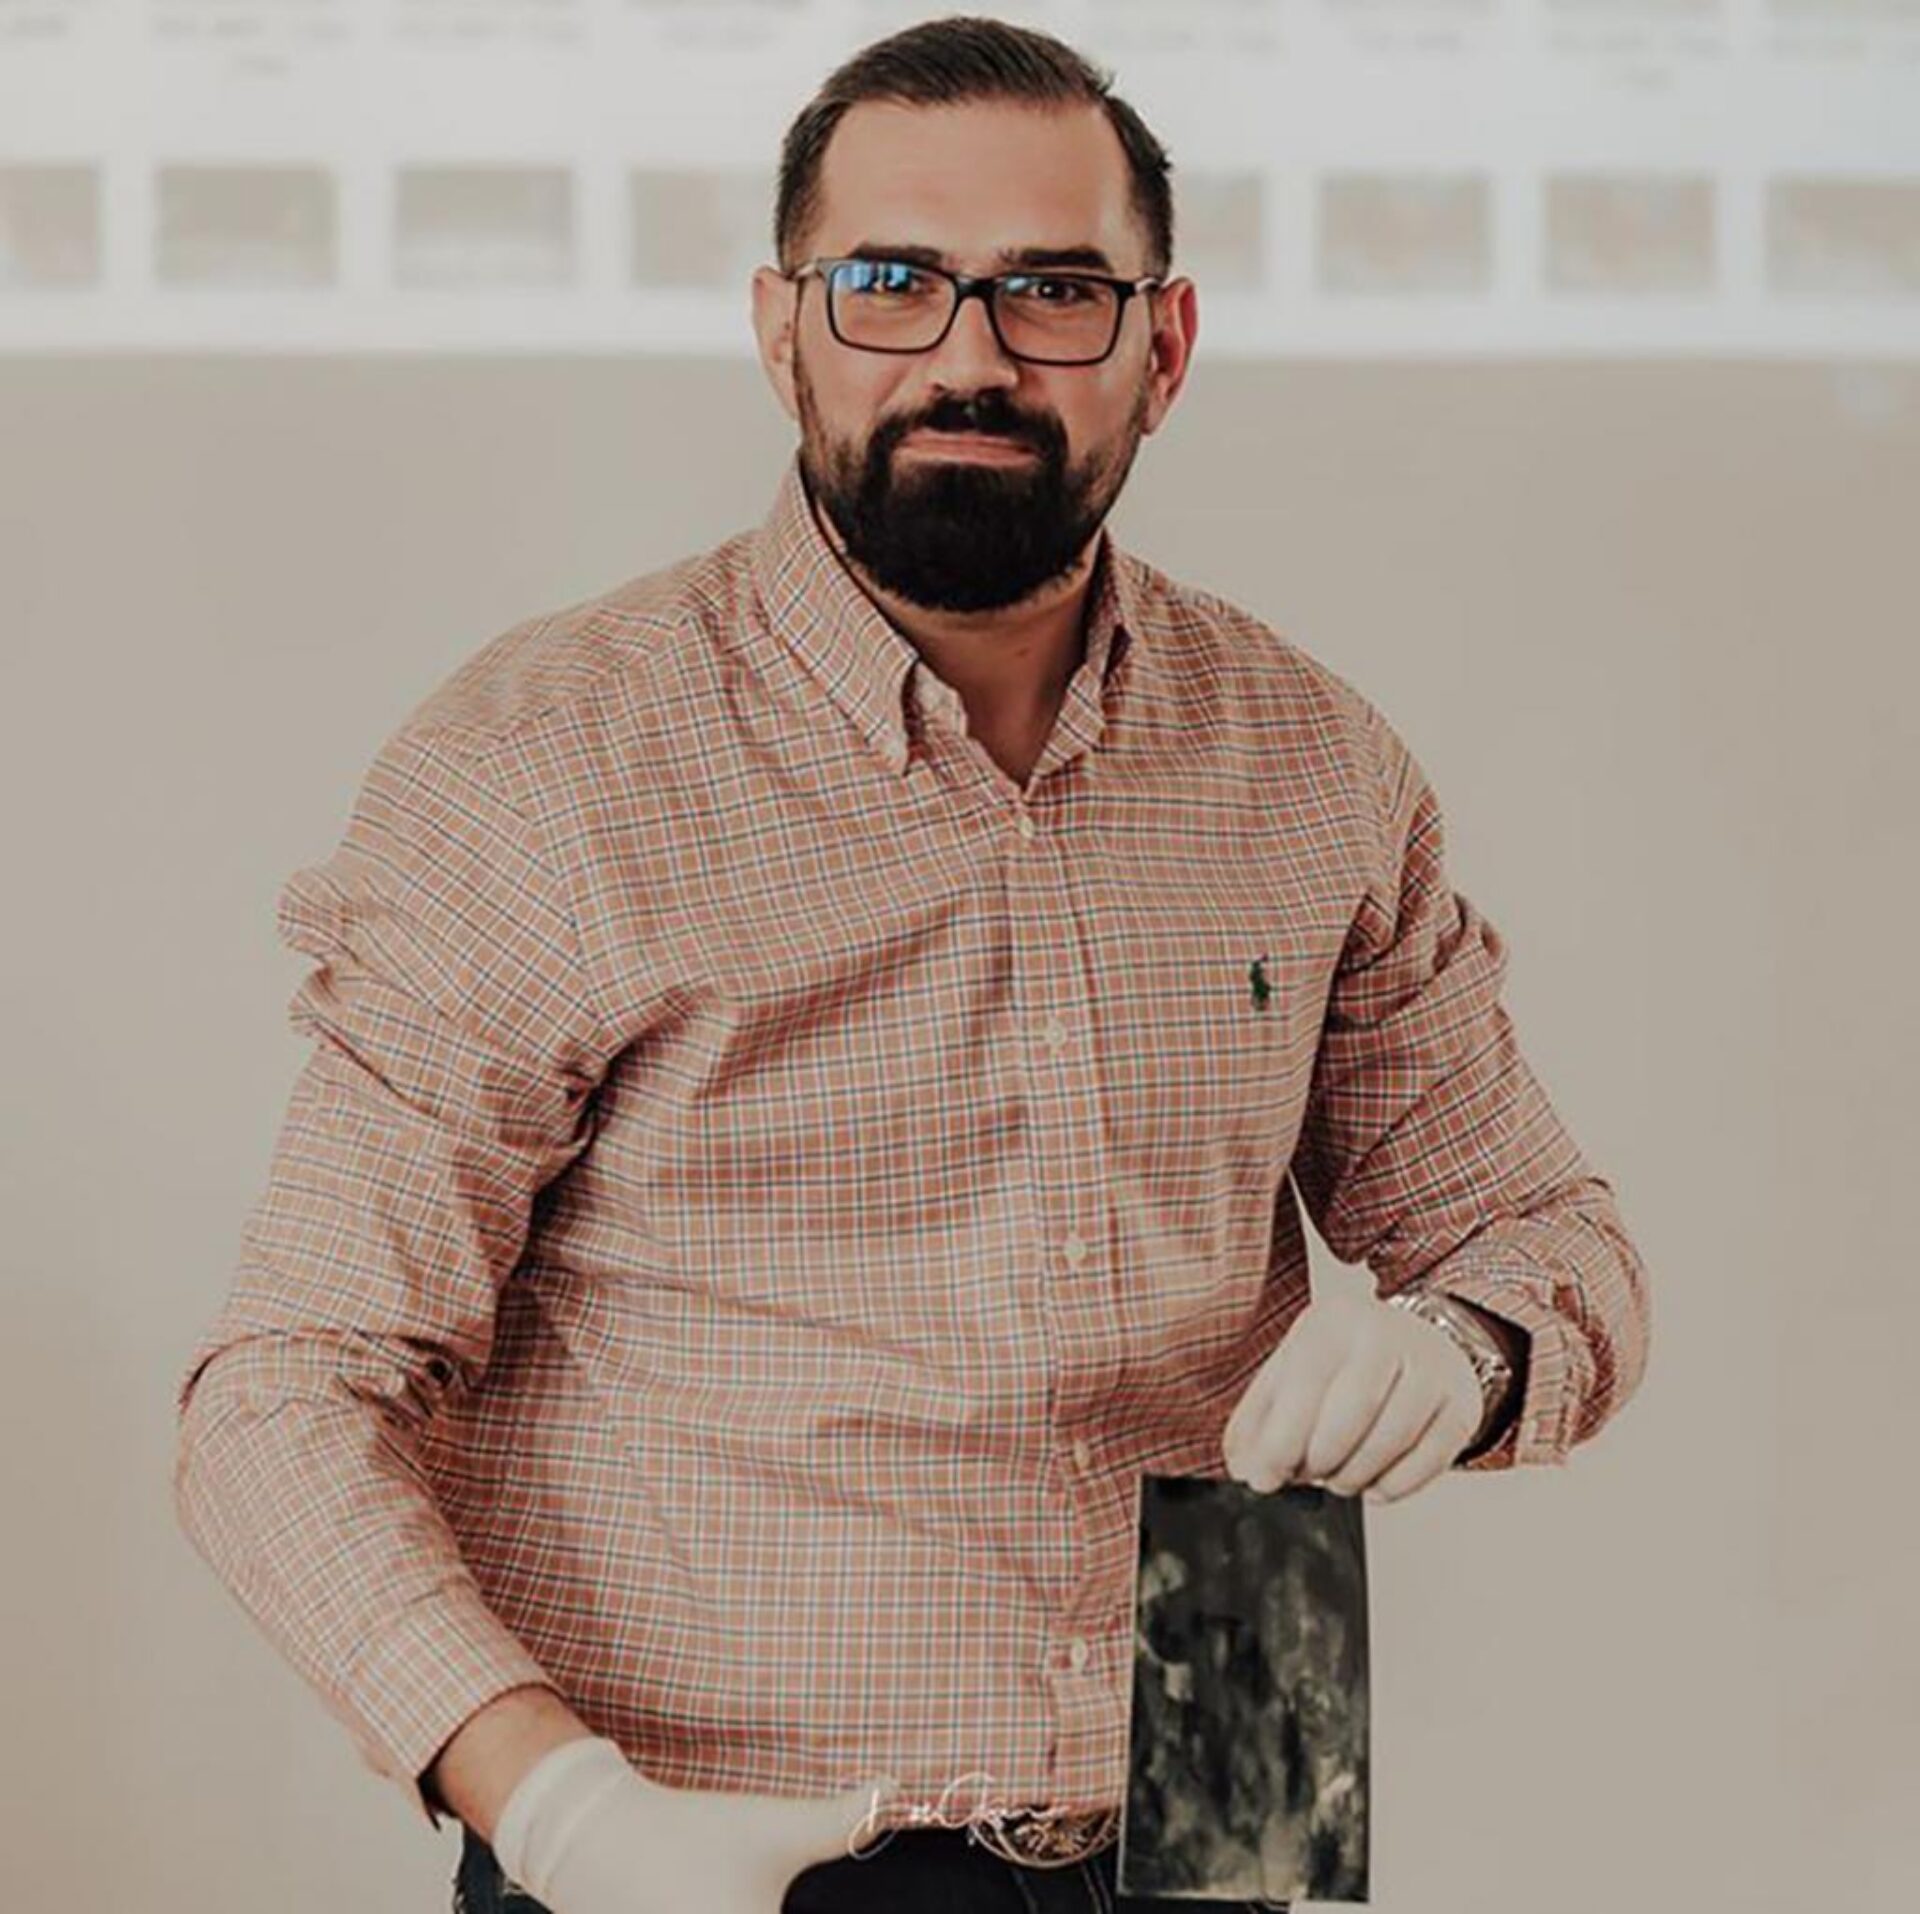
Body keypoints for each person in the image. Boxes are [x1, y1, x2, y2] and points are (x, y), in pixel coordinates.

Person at [171, 16, 1652, 1914]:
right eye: (890, 283)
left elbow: (1547, 1232)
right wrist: (558, 1808)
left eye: (1054, 290)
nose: (970, 356)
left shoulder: (1311, 757)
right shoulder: (542, 766)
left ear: (1164, 346)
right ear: (780, 329)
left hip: (1238, 1805)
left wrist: (1469, 1347)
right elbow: (287, 1388)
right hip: (732, 1854)